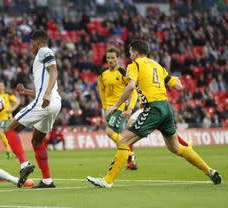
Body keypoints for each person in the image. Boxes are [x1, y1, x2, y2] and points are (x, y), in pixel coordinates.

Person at [86, 40, 222, 188]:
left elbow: (131, 86)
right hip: (166, 108)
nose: (129, 54)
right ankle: (209, 171)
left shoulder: (134, 65)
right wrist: (174, 79)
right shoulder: (157, 65)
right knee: (175, 147)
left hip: (153, 108)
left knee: (123, 141)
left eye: (130, 51)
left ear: (136, 52)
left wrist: (116, 105)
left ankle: (108, 181)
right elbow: (178, 85)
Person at [4, 30, 61, 188]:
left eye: (30, 43)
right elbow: (42, 88)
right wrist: (26, 92)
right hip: (53, 102)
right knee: (37, 141)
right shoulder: (40, 59)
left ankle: (24, 164)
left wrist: (47, 93)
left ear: (37, 42)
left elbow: (54, 70)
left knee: (9, 129)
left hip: (46, 101)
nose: (30, 46)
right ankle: (47, 180)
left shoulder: (44, 50)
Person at [98, 46, 139, 170]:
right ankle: (131, 160)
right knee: (120, 134)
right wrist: (105, 107)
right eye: (108, 58)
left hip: (120, 107)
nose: (110, 60)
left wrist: (130, 107)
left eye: (113, 58)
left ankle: (126, 153)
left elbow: (133, 90)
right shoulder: (102, 73)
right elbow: (102, 91)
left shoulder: (123, 72)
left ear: (118, 58)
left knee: (109, 132)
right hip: (109, 109)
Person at [0, 81, 20, 158]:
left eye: (1, 85)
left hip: (7, 117)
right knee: (8, 135)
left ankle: (8, 150)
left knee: (0, 132)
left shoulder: (7, 95)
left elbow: (17, 102)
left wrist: (11, 109)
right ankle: (15, 151)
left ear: (4, 87)